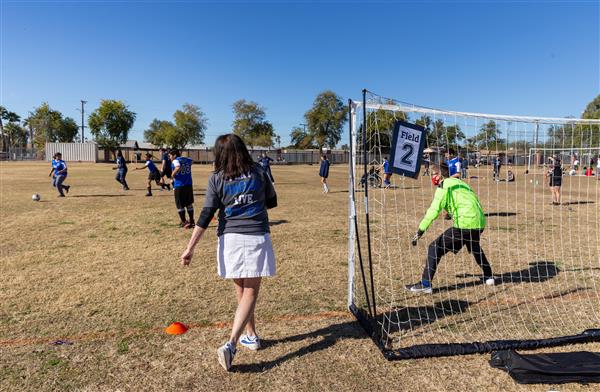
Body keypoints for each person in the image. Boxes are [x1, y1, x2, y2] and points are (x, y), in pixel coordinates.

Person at [180, 134, 277, 371]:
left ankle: (251, 335)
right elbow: (272, 202)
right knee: (251, 291)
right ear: (243, 149)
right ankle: (232, 343)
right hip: (255, 235)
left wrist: (190, 247)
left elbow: (206, 214)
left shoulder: (217, 177)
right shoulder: (258, 171)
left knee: (241, 290)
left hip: (230, 239)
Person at [406, 162, 494, 293]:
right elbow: (465, 200)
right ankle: (488, 276)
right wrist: (451, 212)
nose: (432, 177)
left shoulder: (443, 186)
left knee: (434, 247)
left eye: (433, 174)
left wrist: (420, 230)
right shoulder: (461, 183)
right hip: (479, 221)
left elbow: (434, 210)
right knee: (474, 246)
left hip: (465, 223)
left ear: (440, 175)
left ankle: (425, 283)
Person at [169, 148, 195, 228]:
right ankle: (191, 221)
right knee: (189, 204)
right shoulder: (187, 159)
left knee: (180, 205)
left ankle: (184, 222)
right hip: (188, 184)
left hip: (180, 185)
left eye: (170, 156)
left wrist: (172, 176)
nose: (170, 157)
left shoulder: (175, 160)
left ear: (175, 155)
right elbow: (192, 161)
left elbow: (177, 167)